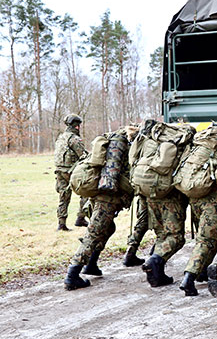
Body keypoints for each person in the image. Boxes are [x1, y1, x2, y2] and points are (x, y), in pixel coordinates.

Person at [64, 128, 133, 290]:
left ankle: (91, 264)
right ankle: (72, 275)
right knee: (94, 234)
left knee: (108, 228)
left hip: (99, 194)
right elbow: (111, 178)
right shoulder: (119, 144)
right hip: (106, 197)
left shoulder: (110, 142)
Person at [54, 114, 89, 231]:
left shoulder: (61, 137)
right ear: (77, 126)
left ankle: (61, 224)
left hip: (59, 171)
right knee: (86, 192)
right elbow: (83, 155)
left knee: (63, 197)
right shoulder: (74, 138)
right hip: (71, 171)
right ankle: (80, 218)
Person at [123, 195, 150, 267]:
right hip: (160, 193)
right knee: (162, 221)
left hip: (143, 192)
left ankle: (130, 251)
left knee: (142, 222)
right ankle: (157, 253)